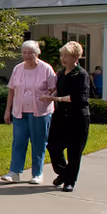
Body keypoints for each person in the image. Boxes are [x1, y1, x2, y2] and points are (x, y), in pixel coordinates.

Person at [2, 40, 57, 184]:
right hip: (19, 111)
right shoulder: (18, 68)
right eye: (24, 53)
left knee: (38, 142)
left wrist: (49, 95)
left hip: (40, 112)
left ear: (37, 53)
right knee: (19, 141)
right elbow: (12, 90)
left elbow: (54, 88)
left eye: (30, 53)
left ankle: (37, 174)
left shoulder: (46, 69)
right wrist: (7, 110)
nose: (27, 56)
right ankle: (14, 172)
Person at [44, 41, 91, 193]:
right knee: (53, 145)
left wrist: (55, 100)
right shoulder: (60, 73)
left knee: (74, 150)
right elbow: (57, 91)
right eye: (62, 55)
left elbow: (79, 97)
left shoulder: (81, 74)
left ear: (75, 57)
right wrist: (50, 94)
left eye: (66, 56)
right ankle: (64, 173)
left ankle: (69, 181)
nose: (63, 58)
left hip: (78, 116)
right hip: (61, 115)